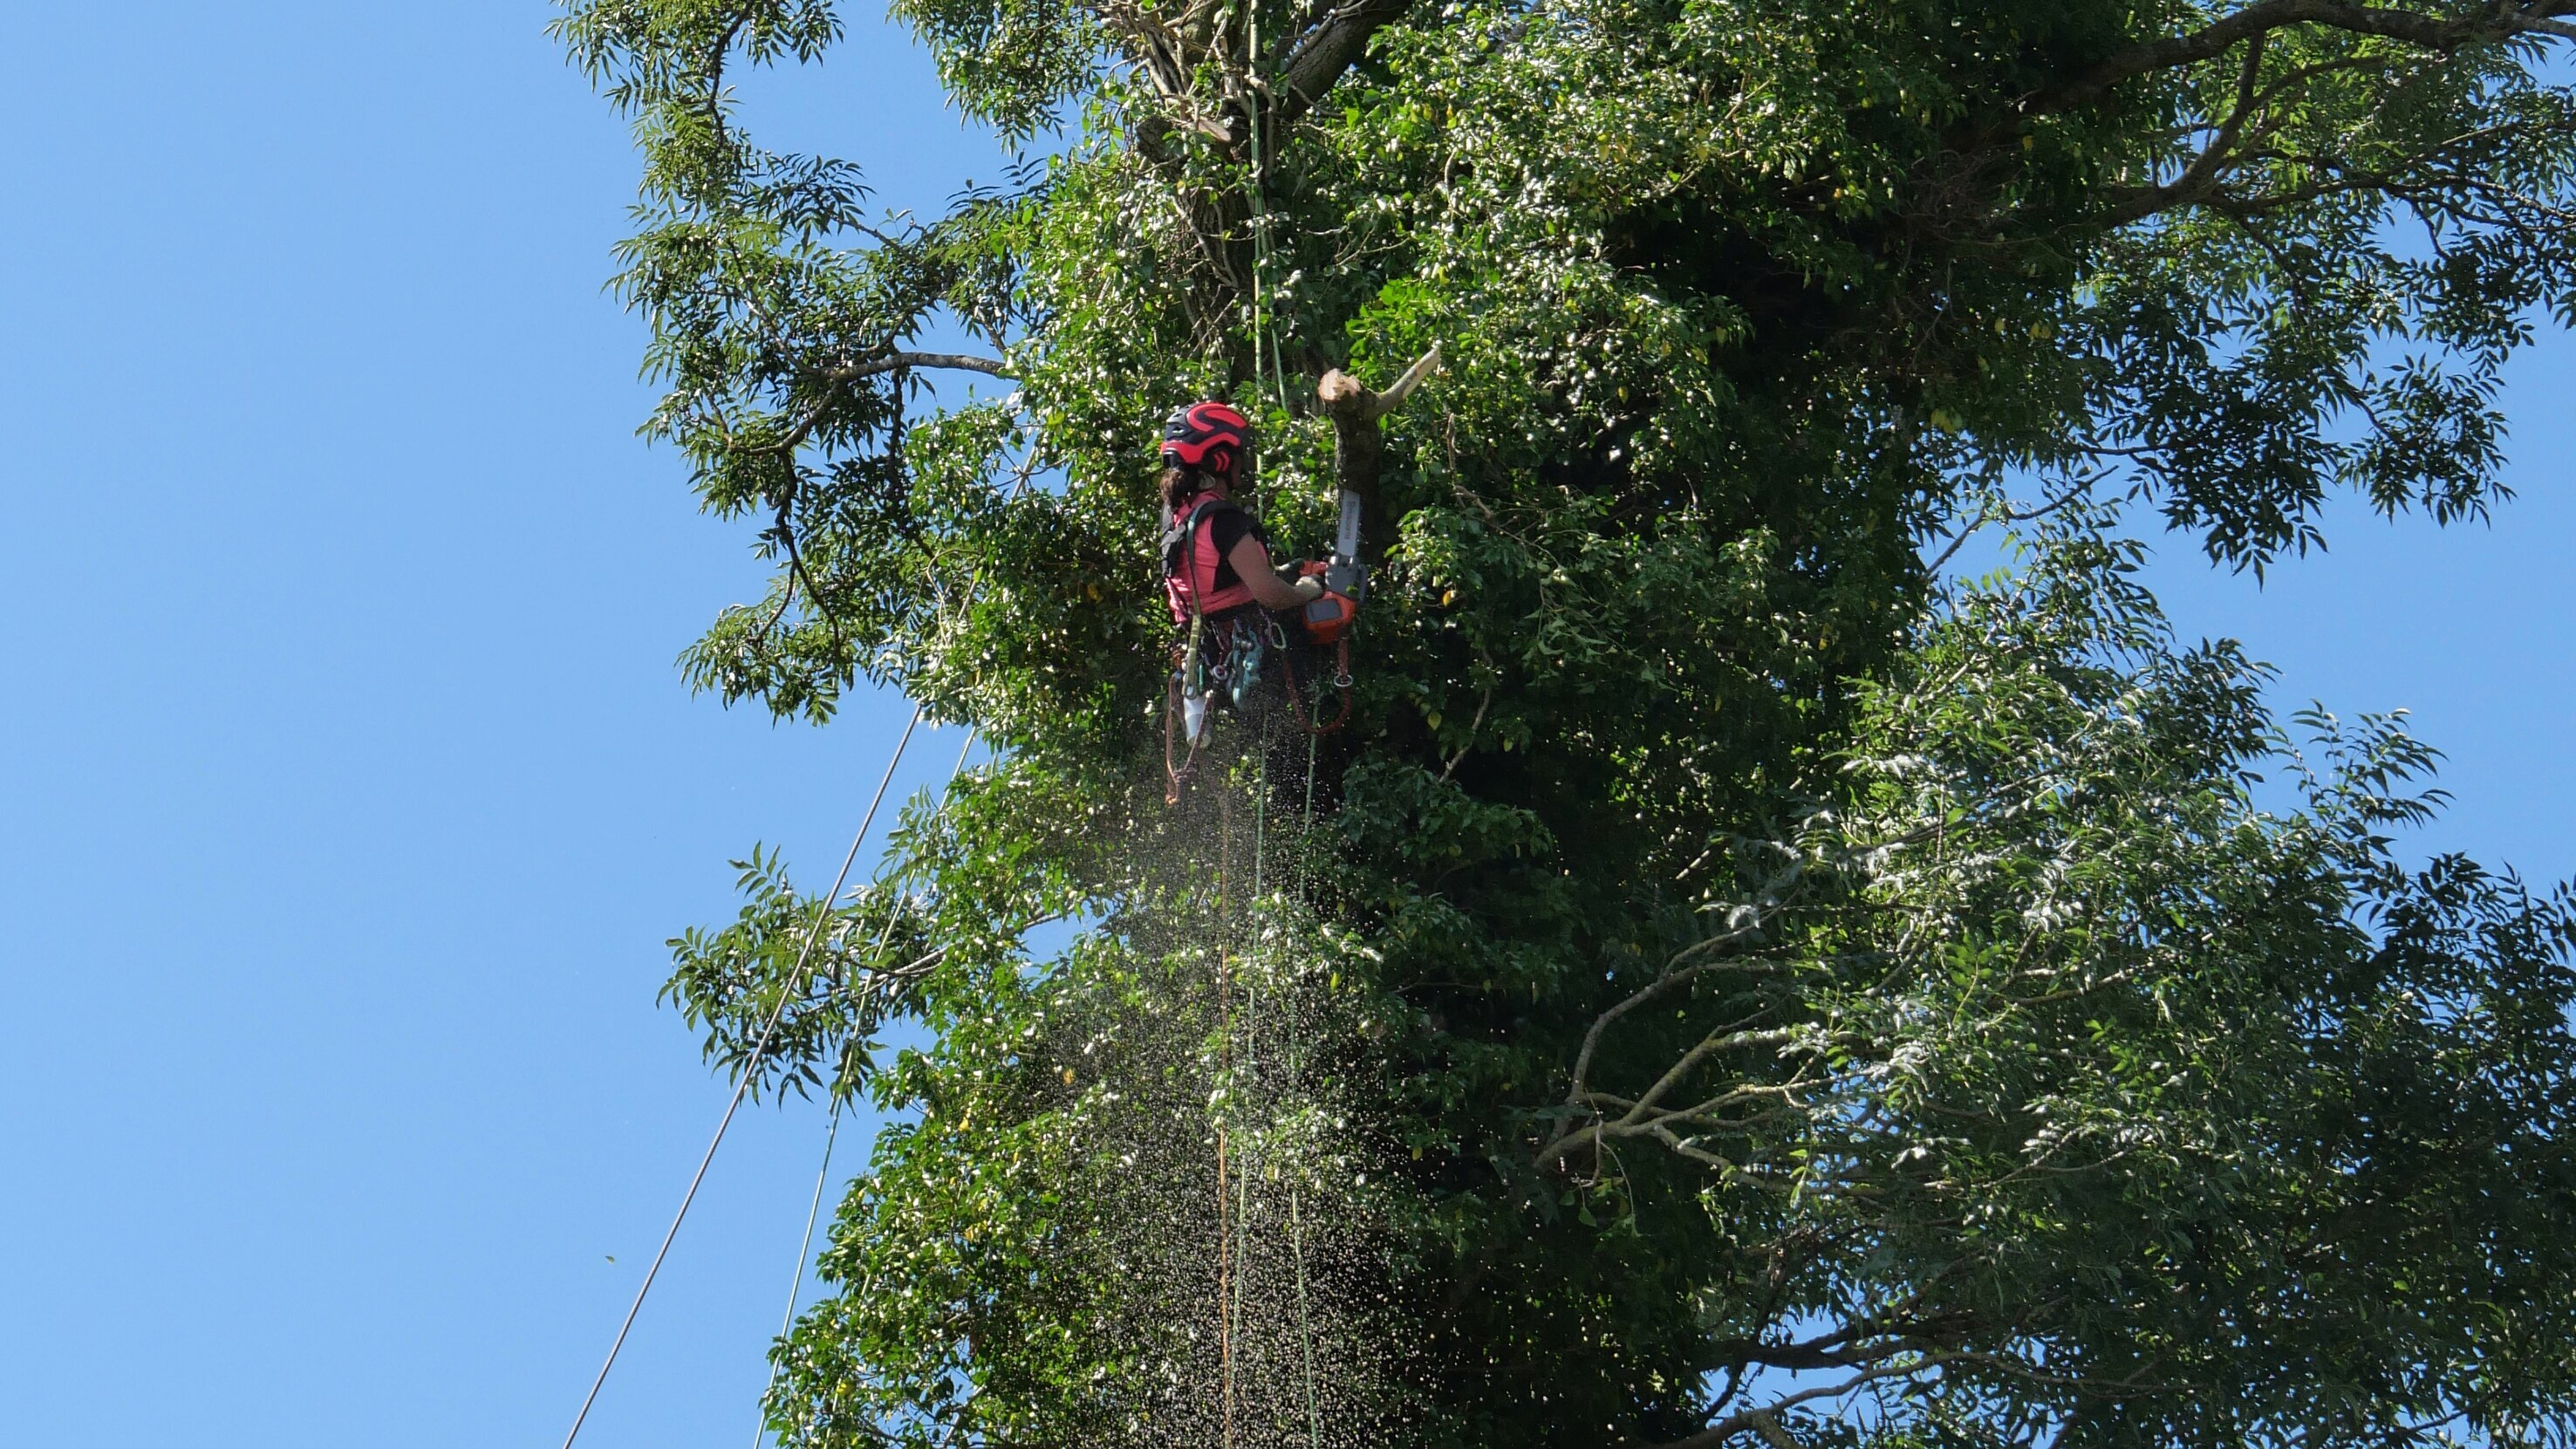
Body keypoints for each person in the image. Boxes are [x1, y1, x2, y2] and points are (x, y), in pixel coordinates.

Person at [1158, 401, 1326, 771]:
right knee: (1324, 624)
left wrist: (1288, 571)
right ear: (1219, 460)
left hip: (1206, 649)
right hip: (1248, 643)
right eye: (1237, 455)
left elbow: (1213, 576)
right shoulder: (1223, 520)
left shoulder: (1176, 518)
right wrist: (1308, 590)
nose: (1242, 464)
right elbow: (1268, 593)